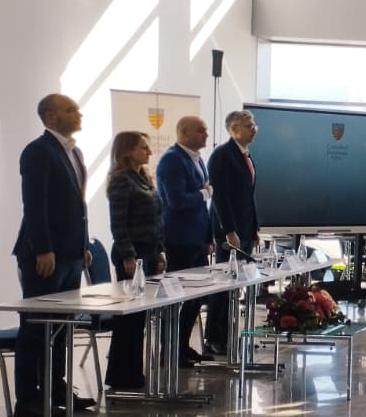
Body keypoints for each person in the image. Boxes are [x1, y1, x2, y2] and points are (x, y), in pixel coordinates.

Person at [12, 94, 95, 417]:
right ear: (50, 117)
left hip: (71, 253)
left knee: (62, 327)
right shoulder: (38, 151)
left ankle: (56, 388)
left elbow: (79, 205)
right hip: (44, 255)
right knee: (36, 327)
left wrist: (83, 245)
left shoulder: (74, 151)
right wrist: (43, 248)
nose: (79, 114)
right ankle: (28, 398)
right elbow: (35, 204)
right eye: (71, 110)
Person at [104, 131, 166, 392]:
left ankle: (133, 371)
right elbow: (118, 223)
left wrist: (160, 250)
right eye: (143, 148)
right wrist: (128, 255)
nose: (149, 152)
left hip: (149, 250)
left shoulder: (144, 178)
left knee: (140, 316)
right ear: (127, 151)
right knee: (129, 318)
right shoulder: (121, 180)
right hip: (131, 254)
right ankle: (122, 374)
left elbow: (156, 219)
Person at [156, 115, 213, 366]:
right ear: (184, 132)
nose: (205, 135)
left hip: (197, 240)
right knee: (177, 298)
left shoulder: (198, 159)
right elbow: (176, 201)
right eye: (200, 130)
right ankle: (169, 350)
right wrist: (203, 193)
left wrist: (208, 236)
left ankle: (182, 345)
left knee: (195, 297)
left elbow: (204, 207)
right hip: (178, 240)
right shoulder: (172, 160)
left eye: (206, 130)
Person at [206, 110, 260, 356]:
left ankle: (228, 335)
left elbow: (248, 197)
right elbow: (220, 196)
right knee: (224, 285)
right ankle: (214, 338)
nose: (254, 129)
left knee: (235, 286)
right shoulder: (222, 155)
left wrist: (254, 228)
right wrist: (229, 230)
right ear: (234, 129)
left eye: (254, 124)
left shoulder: (245, 154)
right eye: (249, 125)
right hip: (230, 232)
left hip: (245, 229)